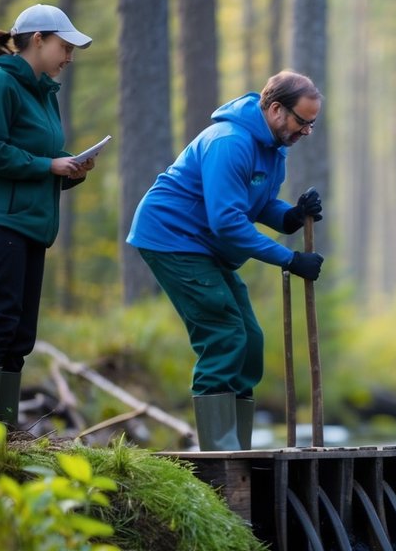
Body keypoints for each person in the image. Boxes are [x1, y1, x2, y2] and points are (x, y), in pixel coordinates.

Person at [127, 70, 326, 450]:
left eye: (312, 124)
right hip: (172, 238)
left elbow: (258, 202)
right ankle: (220, 455)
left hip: (205, 244)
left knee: (249, 338)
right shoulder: (230, 142)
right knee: (224, 333)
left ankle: (239, 447)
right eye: (303, 121)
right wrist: (289, 259)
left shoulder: (273, 148)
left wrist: (291, 215)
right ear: (276, 110)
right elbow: (228, 222)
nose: (306, 131)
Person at [0, 4, 95, 427]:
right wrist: (48, 166)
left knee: (19, 334)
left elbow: (40, 156)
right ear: (39, 40)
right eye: (65, 47)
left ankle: (3, 431)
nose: (69, 57)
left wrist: (70, 167)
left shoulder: (46, 94)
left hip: (32, 225)